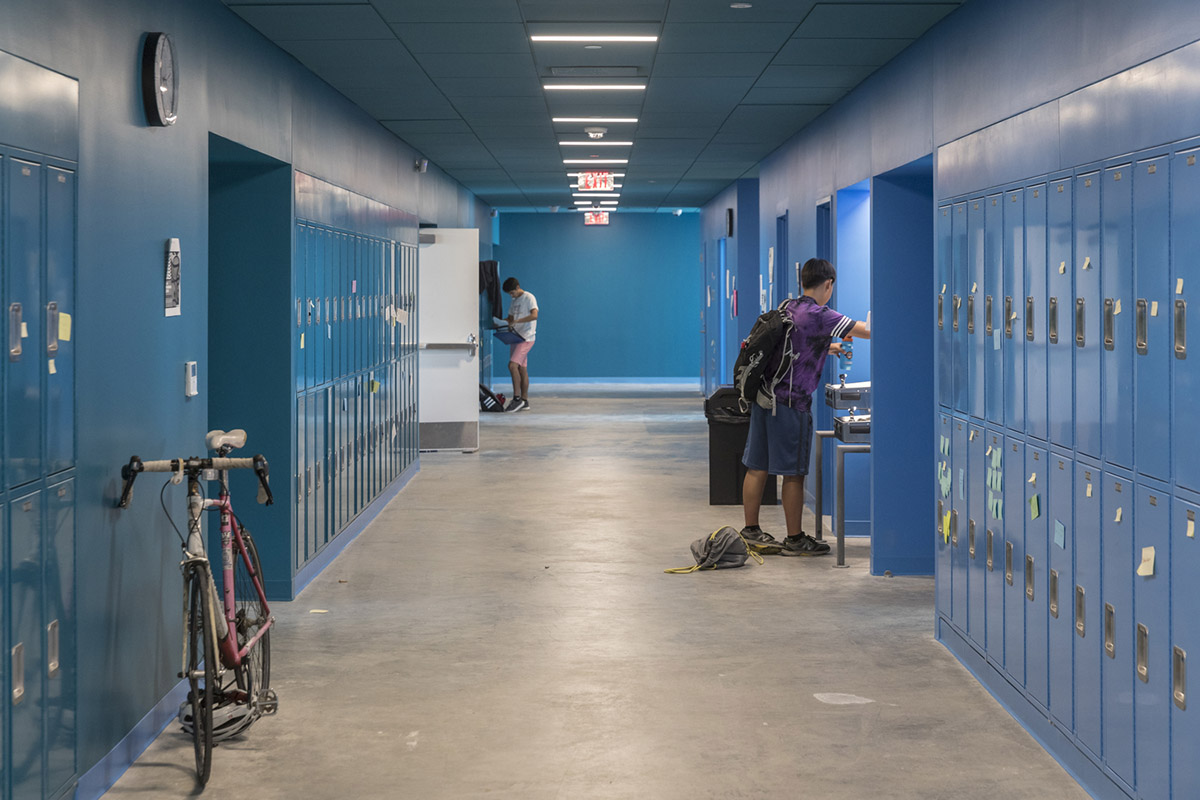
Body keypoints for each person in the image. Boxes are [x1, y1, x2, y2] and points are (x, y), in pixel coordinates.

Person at [740, 258, 871, 556]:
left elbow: (797, 341)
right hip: (790, 403)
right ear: (828, 284)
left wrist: (831, 347)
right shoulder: (821, 314)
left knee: (757, 466)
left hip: (765, 397)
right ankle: (795, 539)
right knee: (794, 474)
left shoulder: (789, 306)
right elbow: (864, 330)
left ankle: (750, 531)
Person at [502, 277, 538, 412]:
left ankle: (517, 399)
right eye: (509, 294)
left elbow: (534, 315)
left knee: (512, 366)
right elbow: (510, 318)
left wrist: (518, 321)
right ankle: (525, 400)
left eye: (512, 292)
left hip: (527, 338)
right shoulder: (513, 301)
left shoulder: (529, 297)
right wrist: (500, 322)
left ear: (518, 287)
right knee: (522, 369)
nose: (511, 296)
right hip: (515, 337)